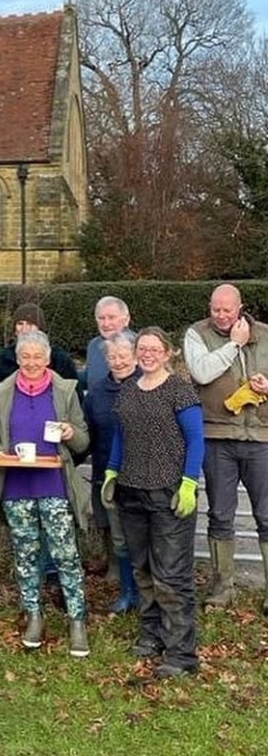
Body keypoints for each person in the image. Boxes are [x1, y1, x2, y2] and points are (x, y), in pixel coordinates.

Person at [0, 330, 90, 657]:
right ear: (17, 358)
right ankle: (34, 616)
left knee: (65, 555)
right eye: (25, 357)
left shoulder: (64, 390)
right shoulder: (3, 392)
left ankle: (77, 621)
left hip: (53, 485)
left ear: (48, 359)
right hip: (16, 487)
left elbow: (83, 441)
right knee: (26, 557)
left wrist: (70, 433)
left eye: (37, 357)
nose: (30, 363)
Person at [102, 327, 204, 678]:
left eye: (153, 349)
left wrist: (189, 483)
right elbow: (120, 434)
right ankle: (152, 634)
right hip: (131, 491)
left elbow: (196, 439)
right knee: (143, 569)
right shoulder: (129, 388)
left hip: (168, 494)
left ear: (167, 353)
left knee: (171, 575)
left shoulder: (179, 389)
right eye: (141, 348)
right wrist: (112, 473)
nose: (146, 354)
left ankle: (181, 654)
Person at [183, 283, 268, 611]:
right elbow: (202, 373)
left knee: (266, 514)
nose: (220, 316)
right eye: (215, 309)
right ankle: (223, 586)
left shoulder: (264, 334)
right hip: (217, 436)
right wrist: (234, 344)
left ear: (240, 307)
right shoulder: (197, 334)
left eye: (227, 311)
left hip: (261, 437)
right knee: (220, 514)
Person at [83, 330, 140, 613]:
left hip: (145, 478)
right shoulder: (97, 393)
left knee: (145, 539)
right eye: (112, 356)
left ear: (135, 355)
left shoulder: (148, 384)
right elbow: (87, 435)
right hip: (110, 476)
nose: (118, 362)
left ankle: (149, 595)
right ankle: (127, 593)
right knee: (120, 539)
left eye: (123, 355)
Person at [0, 303, 79, 400]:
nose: (25, 329)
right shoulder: (3, 358)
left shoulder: (60, 359)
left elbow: (74, 397)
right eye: (20, 324)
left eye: (30, 324)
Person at [81, 296, 131, 392]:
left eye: (111, 317)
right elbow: (90, 378)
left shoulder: (139, 346)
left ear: (126, 319)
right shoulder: (94, 345)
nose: (106, 324)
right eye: (101, 318)